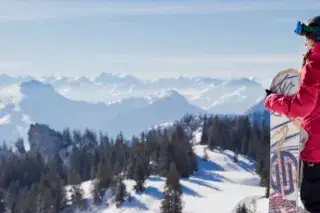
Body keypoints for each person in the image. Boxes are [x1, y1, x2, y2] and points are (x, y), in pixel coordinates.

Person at [264, 15, 320, 212]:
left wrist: (272, 101)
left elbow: (301, 106)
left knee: (313, 201)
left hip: (317, 151)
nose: (305, 42)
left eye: (307, 36)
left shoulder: (315, 65)